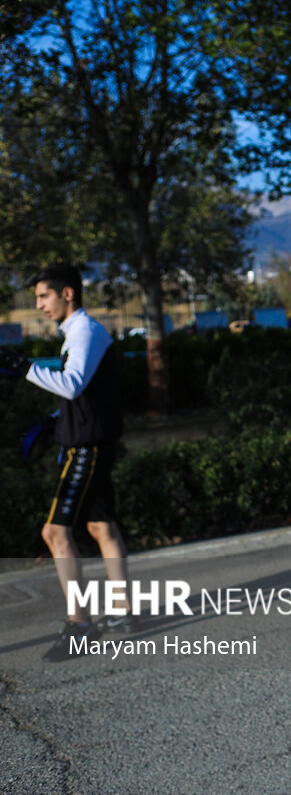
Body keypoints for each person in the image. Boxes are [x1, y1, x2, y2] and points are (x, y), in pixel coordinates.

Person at [0, 264, 134, 662]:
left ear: (68, 294)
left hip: (87, 448)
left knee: (55, 534)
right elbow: (87, 394)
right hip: (86, 441)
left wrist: (22, 367)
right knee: (100, 525)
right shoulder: (77, 333)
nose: (39, 304)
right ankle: (124, 615)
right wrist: (55, 422)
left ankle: (80, 625)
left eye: (44, 296)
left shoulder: (85, 331)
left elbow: (73, 383)